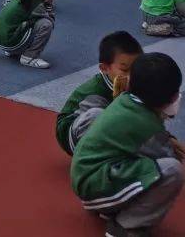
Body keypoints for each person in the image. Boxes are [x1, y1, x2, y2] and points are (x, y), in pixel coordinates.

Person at [70, 52, 185, 234]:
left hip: (87, 177)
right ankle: (125, 227)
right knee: (172, 170)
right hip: (95, 184)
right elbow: (166, 157)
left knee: (142, 159)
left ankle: (111, 206)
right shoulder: (147, 124)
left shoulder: (126, 101)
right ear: (168, 99)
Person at [56, 31, 143, 155]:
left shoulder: (136, 81)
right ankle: (93, 162)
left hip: (108, 128)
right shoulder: (95, 92)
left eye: (137, 67)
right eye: (124, 70)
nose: (132, 75)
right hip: (73, 133)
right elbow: (107, 120)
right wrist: (119, 103)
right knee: (97, 115)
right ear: (104, 68)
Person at [0, 0, 55, 69]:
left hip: (0, 39)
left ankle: (11, 51)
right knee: (46, 24)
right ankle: (29, 57)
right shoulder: (36, 5)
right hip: (10, 42)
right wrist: (49, 4)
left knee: (28, 21)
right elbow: (51, 21)